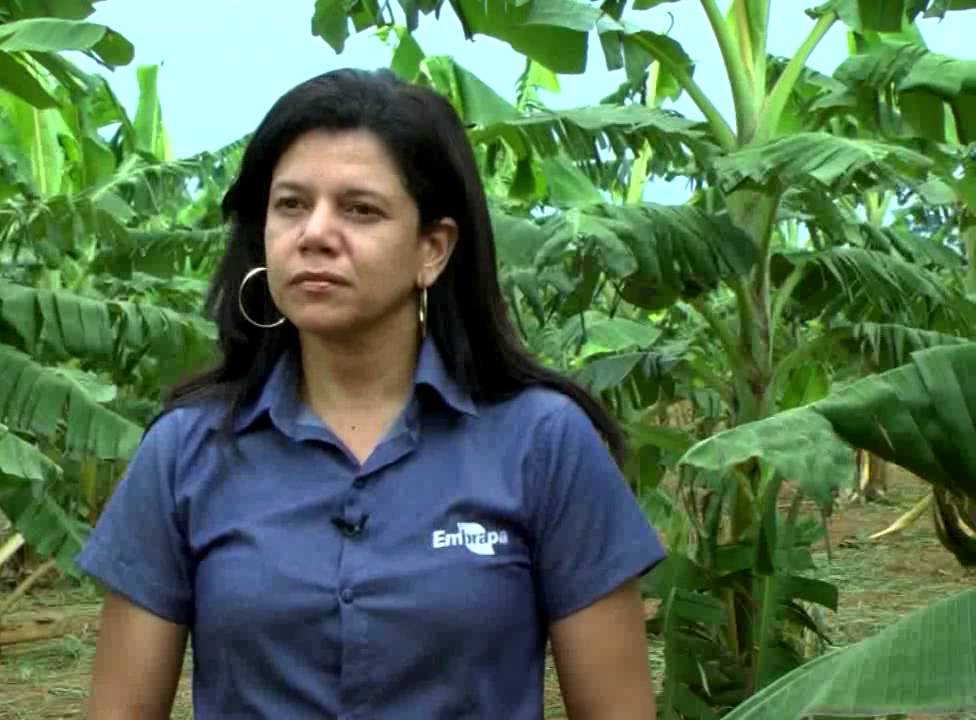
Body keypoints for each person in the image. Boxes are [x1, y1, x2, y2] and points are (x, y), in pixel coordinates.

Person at [76, 67, 666, 719]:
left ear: (432, 250)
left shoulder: (543, 443)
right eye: (291, 205)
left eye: (360, 209)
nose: (315, 234)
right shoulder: (186, 453)